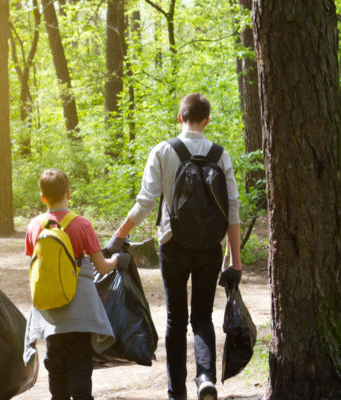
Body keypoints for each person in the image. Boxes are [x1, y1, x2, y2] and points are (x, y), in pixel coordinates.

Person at [106, 94, 243, 400]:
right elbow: (232, 208)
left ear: (180, 118)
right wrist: (235, 260)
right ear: (207, 120)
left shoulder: (163, 151)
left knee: (176, 319)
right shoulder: (221, 156)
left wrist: (119, 236)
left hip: (173, 243)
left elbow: (146, 202)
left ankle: (176, 392)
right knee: (203, 317)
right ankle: (205, 377)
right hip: (210, 247)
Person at [23, 168, 129, 400]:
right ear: (68, 194)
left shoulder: (34, 226)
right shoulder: (81, 224)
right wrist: (117, 260)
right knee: (80, 359)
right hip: (79, 305)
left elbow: (36, 265)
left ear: (43, 197)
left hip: (49, 307)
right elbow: (101, 267)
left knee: (56, 359)